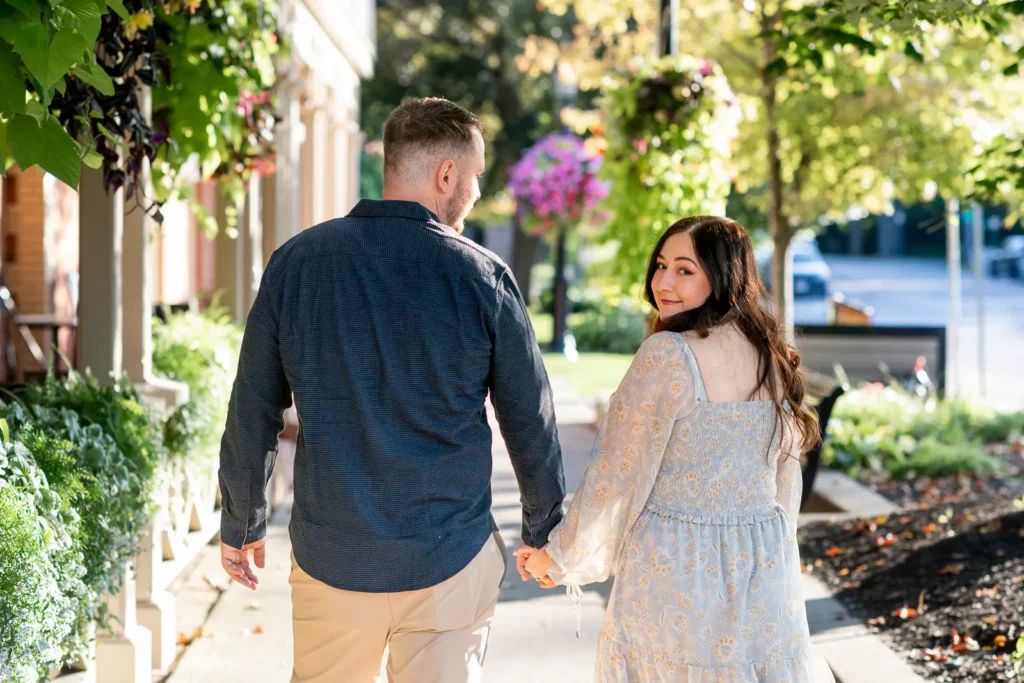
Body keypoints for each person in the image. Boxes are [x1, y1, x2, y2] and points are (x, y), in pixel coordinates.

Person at [217, 97, 566, 683]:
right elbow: (530, 418)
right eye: (475, 177)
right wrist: (544, 531)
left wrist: (242, 522)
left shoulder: (296, 264)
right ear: (446, 174)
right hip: (448, 556)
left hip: (334, 555)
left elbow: (253, 407)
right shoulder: (481, 277)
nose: (476, 193)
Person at [519, 216, 835, 682]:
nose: (663, 282)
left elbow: (616, 476)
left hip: (678, 570)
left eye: (685, 270)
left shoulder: (669, 355)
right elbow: (784, 485)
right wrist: (776, 555)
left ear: (723, 275)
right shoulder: (770, 353)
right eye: (661, 265)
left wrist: (561, 556)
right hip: (762, 570)